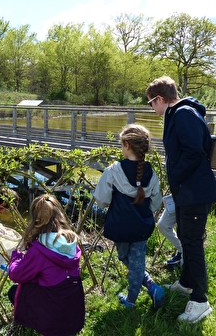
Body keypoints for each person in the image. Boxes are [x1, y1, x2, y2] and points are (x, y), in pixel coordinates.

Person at [146, 75, 216, 323]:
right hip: (188, 191)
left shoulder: (183, 114)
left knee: (193, 244)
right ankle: (187, 283)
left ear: (161, 99)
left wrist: (174, 175)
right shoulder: (179, 113)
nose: (151, 108)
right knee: (187, 239)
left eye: (151, 103)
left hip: (194, 192)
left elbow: (194, 152)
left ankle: (200, 301)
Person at [94, 124, 165, 310]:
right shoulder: (152, 173)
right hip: (142, 226)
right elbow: (156, 203)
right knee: (137, 261)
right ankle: (151, 287)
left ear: (126, 145)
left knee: (125, 258)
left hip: (120, 226)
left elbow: (101, 200)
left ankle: (131, 301)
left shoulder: (114, 170)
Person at [7, 194, 85, 336]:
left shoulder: (38, 250)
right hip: (72, 311)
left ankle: (36, 324)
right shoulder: (72, 242)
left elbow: (16, 274)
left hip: (51, 314)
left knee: (15, 291)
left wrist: (16, 257)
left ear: (36, 219)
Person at [157, 195, 183, 270]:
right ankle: (181, 250)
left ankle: (184, 262)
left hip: (193, 197)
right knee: (163, 224)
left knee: (186, 229)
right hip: (177, 195)